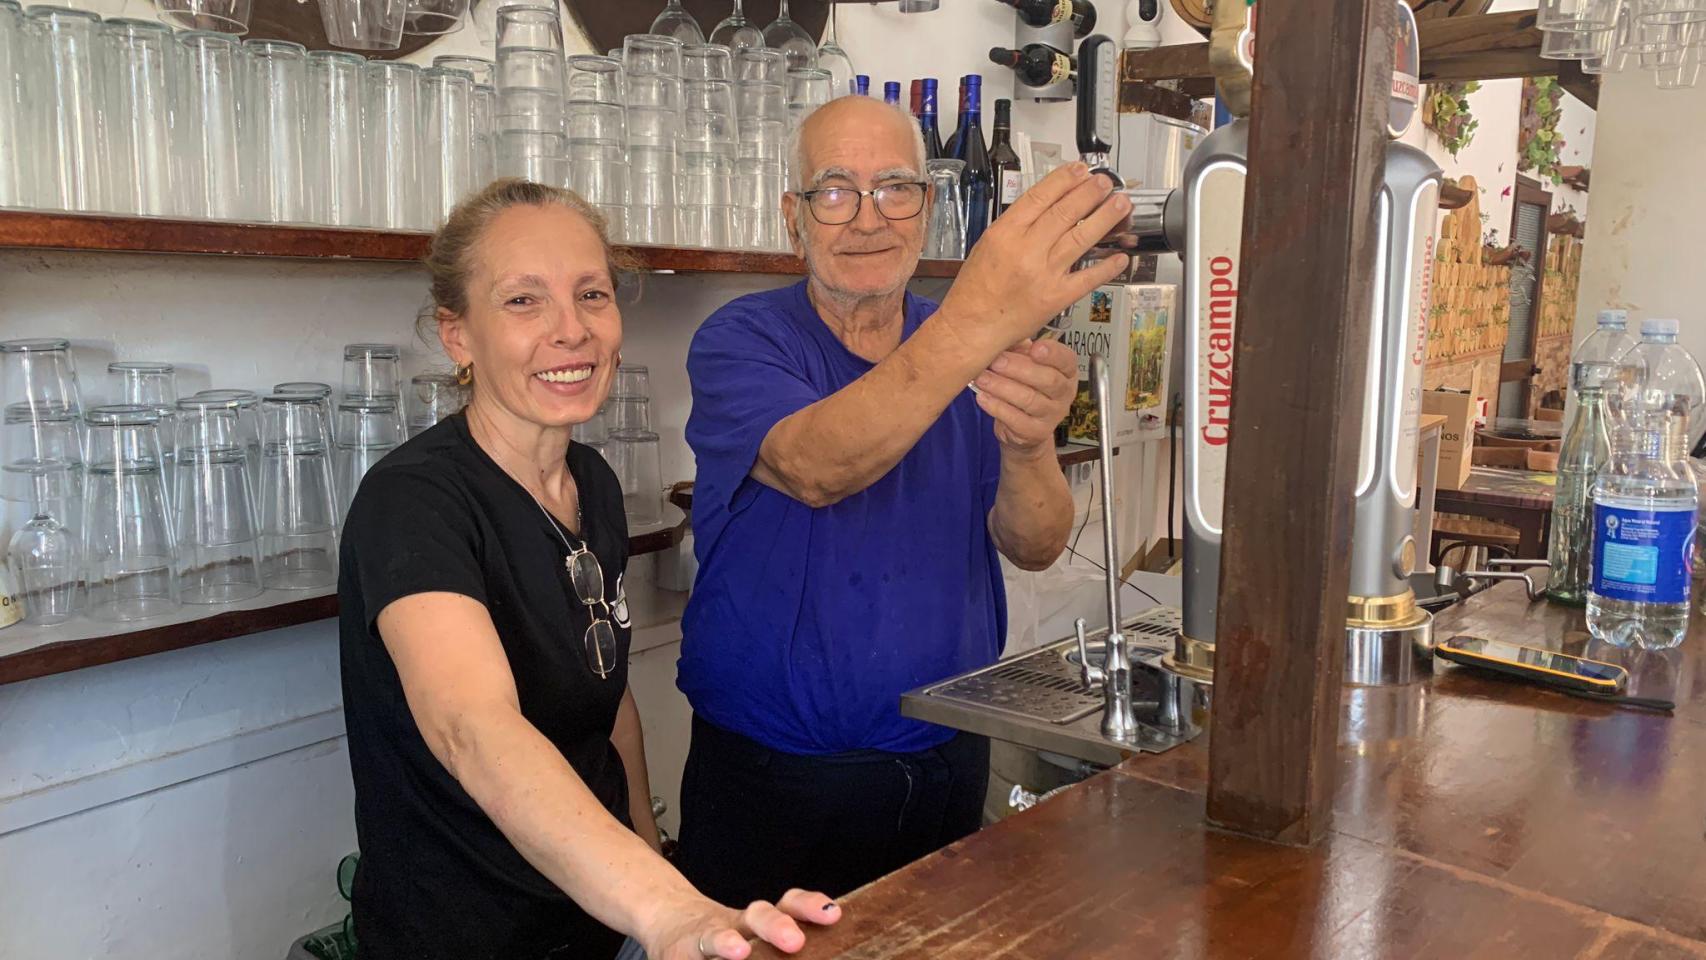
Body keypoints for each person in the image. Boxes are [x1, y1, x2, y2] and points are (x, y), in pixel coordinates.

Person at [338, 179, 840, 960]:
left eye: (592, 295)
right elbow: (474, 728)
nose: (570, 331)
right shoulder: (413, 502)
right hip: (466, 938)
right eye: (523, 302)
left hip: (598, 922)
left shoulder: (592, 483)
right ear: (457, 334)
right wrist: (667, 910)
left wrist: (656, 875)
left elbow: (607, 705)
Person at [674, 96, 1135, 906]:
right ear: (795, 218)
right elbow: (818, 465)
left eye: (894, 188)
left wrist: (1028, 442)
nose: (866, 218)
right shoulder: (741, 339)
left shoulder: (963, 337)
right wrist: (981, 318)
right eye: (834, 190)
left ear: (925, 210)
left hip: (948, 756)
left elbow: (1034, 543)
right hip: (773, 780)